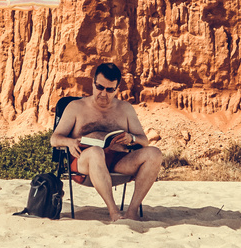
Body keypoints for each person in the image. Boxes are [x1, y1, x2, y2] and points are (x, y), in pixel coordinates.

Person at [51, 62, 163, 222]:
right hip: (84, 161)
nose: (103, 93)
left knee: (154, 154)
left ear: (117, 89)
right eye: (99, 87)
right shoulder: (76, 107)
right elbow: (55, 139)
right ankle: (114, 212)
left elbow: (144, 141)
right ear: (93, 83)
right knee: (96, 152)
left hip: (118, 161)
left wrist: (131, 138)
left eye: (110, 90)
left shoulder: (125, 109)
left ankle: (132, 212)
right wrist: (69, 142)